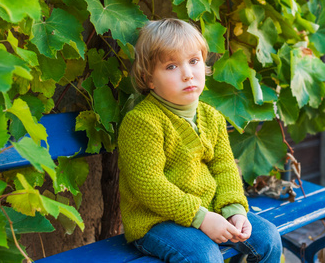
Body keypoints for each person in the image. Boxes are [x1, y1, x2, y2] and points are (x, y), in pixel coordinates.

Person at [118, 18, 282, 263]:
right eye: (171, 66)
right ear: (149, 79)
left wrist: (234, 210)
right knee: (204, 256)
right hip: (156, 220)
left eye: (194, 61)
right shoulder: (142, 121)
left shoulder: (212, 117)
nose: (187, 74)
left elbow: (225, 168)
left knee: (269, 238)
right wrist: (201, 217)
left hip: (211, 210)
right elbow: (149, 185)